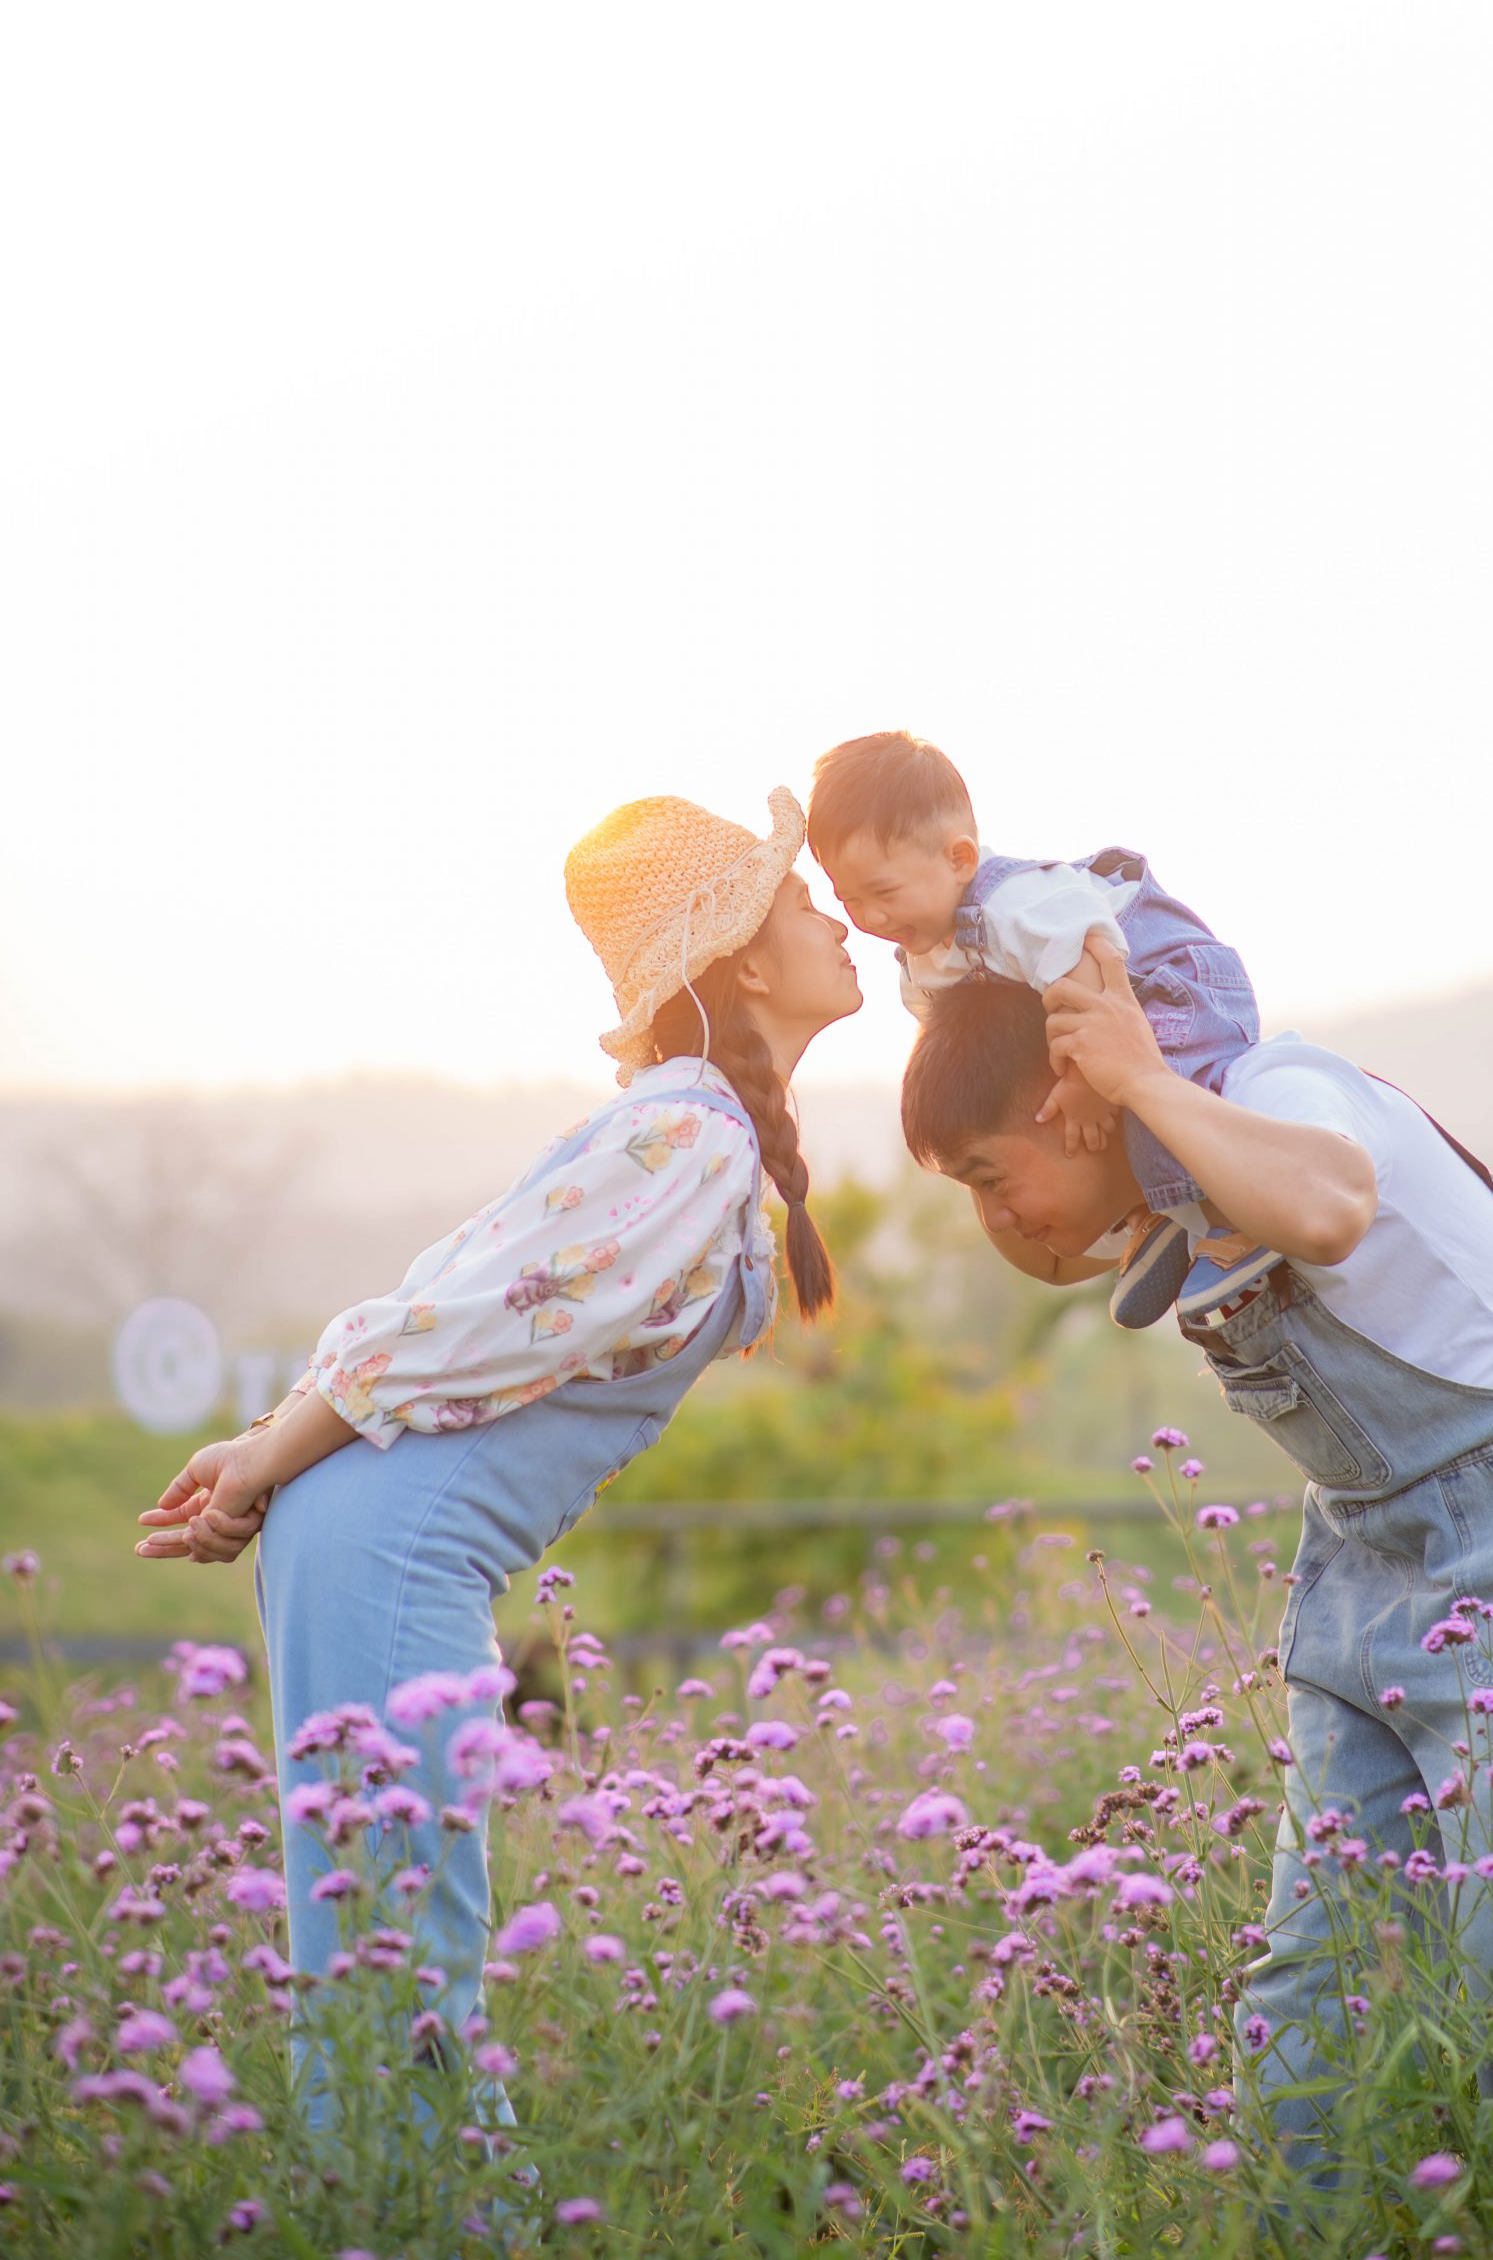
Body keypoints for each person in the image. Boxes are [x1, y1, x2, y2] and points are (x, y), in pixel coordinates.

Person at [133, 786, 861, 2148]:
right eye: (798, 897)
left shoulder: (688, 1135)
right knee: (393, 1963)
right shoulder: (686, 1137)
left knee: (400, 1954)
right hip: (382, 1550)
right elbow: (463, 1323)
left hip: (384, 1541)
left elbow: (447, 1320)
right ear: (743, 959)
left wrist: (267, 1451)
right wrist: (263, 1460)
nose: (832, 914)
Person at [898, 941, 1493, 2161]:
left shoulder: (1276, 1093)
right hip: (1364, 1560)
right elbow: (1052, 1208)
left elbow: (1329, 1210)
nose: (994, 1218)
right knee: (1305, 1993)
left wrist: (1139, 1079)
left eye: (993, 1176)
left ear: (1079, 1102)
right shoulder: (1167, 1201)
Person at [807, 727, 1271, 1326]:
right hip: (1104, 1006)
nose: (871, 918)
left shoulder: (1017, 901)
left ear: (960, 858)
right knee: (1131, 1120)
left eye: (884, 893)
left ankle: (1236, 1221)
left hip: (1167, 985)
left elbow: (1090, 963)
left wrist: (1086, 1080)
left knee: (1165, 1094)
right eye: (850, 902)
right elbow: (954, 1036)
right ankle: (1159, 1221)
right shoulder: (925, 958)